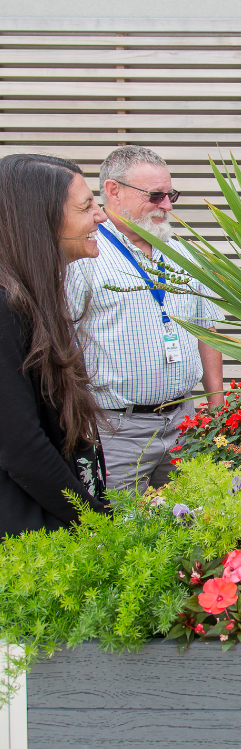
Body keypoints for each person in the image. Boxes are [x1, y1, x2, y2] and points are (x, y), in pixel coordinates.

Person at [65, 146, 224, 493]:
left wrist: (216, 411)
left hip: (185, 422)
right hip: (116, 430)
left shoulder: (183, 253)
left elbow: (208, 331)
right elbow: (62, 343)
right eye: (155, 196)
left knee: (191, 530)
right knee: (120, 535)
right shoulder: (84, 255)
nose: (166, 206)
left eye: (171, 195)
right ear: (113, 190)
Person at [0, 154, 110, 536]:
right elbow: (21, 447)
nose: (102, 216)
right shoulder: (6, 308)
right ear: (40, 221)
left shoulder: (36, 298)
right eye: (86, 206)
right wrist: (96, 522)